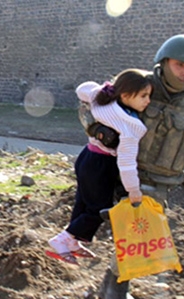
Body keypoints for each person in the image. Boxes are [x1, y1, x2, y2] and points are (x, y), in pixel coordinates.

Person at [93, 34, 184, 299]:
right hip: (125, 176)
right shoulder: (139, 84)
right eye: (179, 65)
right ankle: (114, 292)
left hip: (161, 184)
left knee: (136, 240)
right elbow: (91, 106)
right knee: (134, 238)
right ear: (164, 61)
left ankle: (109, 289)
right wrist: (101, 130)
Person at [47, 69, 152, 265]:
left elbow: (82, 89)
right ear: (126, 95)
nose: (148, 101)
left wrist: (103, 89)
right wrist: (133, 190)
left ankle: (72, 242)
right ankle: (61, 240)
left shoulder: (103, 101)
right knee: (99, 209)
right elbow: (127, 163)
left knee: (83, 203)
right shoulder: (130, 125)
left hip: (87, 156)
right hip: (102, 165)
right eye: (144, 96)